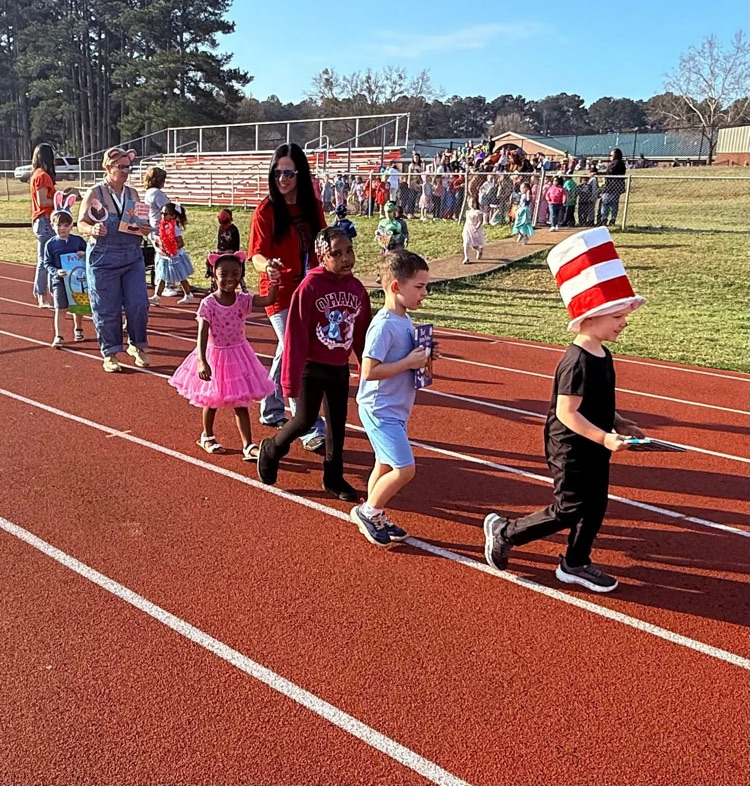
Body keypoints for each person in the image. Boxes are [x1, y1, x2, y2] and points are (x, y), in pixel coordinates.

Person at [483, 227, 646, 592]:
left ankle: (575, 561)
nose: (624, 322)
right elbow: (567, 413)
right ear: (591, 317)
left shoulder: (603, 353)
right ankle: (506, 532)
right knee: (569, 508)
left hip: (595, 443)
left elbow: (596, 404)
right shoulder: (577, 361)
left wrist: (619, 422)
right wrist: (605, 437)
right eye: (618, 315)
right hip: (572, 447)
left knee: (597, 504)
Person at [256, 227, 372, 502]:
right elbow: (294, 335)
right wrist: (290, 379)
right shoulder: (309, 287)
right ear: (322, 256)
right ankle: (272, 448)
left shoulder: (357, 289)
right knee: (305, 419)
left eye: (349, 251)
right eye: (337, 253)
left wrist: (367, 363)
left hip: (338, 366)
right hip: (312, 365)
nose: (346, 258)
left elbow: (362, 331)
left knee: (337, 423)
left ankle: (333, 476)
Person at [352, 250, 434, 546]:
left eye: (426, 286)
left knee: (385, 465)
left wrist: (424, 357)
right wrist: (408, 363)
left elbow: (404, 358)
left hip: (396, 408)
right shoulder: (384, 324)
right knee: (404, 468)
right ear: (396, 287)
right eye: (419, 286)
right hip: (379, 408)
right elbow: (369, 371)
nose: (425, 293)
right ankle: (367, 512)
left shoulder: (405, 320)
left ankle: (374, 512)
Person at [249, 142, 327, 451]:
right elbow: (255, 254)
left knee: (288, 349)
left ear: (301, 174)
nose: (283, 179)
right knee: (296, 349)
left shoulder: (312, 207)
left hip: (309, 291)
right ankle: (306, 425)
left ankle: (270, 405)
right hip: (279, 294)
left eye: (290, 173)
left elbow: (322, 244)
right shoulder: (266, 210)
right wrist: (268, 267)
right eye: (278, 172)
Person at [169, 252, 278, 462]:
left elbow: (269, 299)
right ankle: (207, 435)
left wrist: (273, 280)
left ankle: (248, 445)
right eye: (224, 273)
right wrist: (202, 360)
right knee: (211, 399)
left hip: (238, 354)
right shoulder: (208, 304)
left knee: (241, 401)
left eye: (235, 273)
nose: (230, 278)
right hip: (215, 355)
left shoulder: (243, 300)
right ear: (213, 276)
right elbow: (201, 333)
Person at [77, 146, 151, 373]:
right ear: (108, 168)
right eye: (122, 167)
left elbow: (140, 223)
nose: (127, 171)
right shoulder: (94, 193)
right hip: (103, 258)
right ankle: (109, 352)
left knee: (139, 303)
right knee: (106, 308)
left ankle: (137, 345)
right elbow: (80, 223)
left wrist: (145, 229)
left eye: (129, 167)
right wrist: (92, 229)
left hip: (131, 256)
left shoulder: (133, 194)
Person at [43, 191, 86, 348]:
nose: (62, 228)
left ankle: (78, 327)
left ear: (71, 225)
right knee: (60, 308)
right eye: (58, 225)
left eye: (65, 225)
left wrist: (83, 254)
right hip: (59, 280)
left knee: (77, 305)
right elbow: (46, 263)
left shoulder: (78, 241)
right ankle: (59, 336)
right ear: (52, 225)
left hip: (76, 280)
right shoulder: (50, 244)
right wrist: (56, 272)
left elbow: (89, 256)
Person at [148, 202, 195, 305]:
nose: (162, 216)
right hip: (165, 256)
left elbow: (181, 243)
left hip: (175, 257)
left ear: (173, 216)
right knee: (162, 276)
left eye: (165, 214)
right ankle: (157, 296)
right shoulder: (163, 226)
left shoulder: (174, 228)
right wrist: (159, 244)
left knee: (181, 277)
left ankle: (188, 294)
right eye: (161, 213)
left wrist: (170, 248)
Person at [29, 143, 57, 308]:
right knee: (45, 260)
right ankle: (42, 294)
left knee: (48, 259)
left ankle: (48, 293)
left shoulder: (38, 175)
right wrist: (60, 200)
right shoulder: (42, 176)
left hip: (43, 220)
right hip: (44, 219)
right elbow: (43, 201)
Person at [599, 148, 627, 226]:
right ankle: (610, 219)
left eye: (611, 155)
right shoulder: (619, 163)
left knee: (607, 203)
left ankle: (606, 219)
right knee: (612, 204)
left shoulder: (617, 163)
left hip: (612, 187)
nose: (610, 156)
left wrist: (597, 172)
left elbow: (609, 172)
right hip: (613, 187)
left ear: (616, 155)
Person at [462, 196, 485, 264]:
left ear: (476, 203)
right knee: (466, 242)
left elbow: (480, 221)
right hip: (467, 228)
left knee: (474, 244)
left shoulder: (478, 212)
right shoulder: (467, 212)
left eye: (473, 202)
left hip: (474, 229)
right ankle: (466, 257)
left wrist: (476, 228)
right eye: (470, 202)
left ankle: (479, 250)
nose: (472, 204)